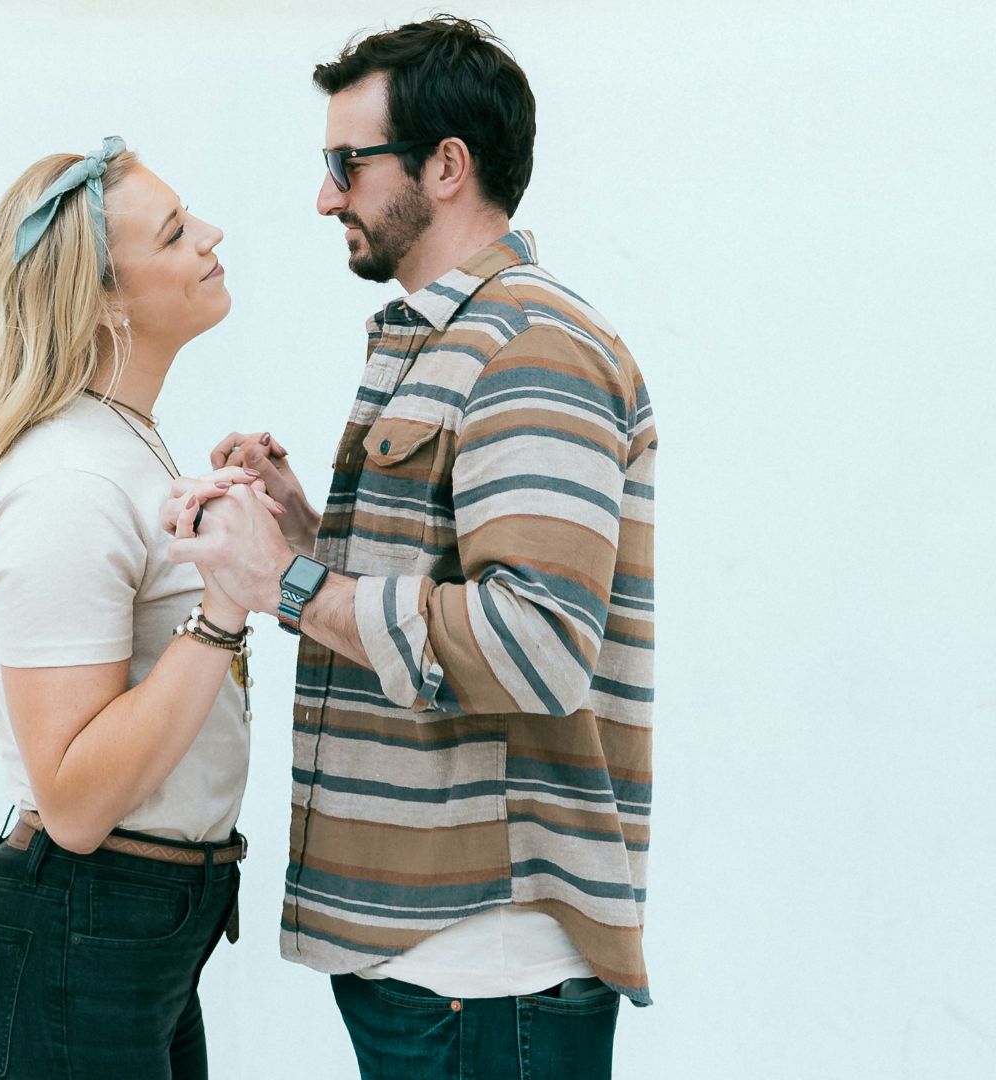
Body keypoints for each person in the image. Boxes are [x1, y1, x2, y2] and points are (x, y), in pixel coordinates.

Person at [167, 17, 659, 1079]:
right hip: (435, 963)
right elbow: (450, 582)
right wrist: (309, 534)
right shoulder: (450, 338)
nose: (325, 196)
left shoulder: (532, 347)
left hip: (484, 974)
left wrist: (287, 581)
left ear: (445, 167)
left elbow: (535, 644)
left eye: (348, 164)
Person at [0, 137, 283, 1080]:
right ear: (104, 301)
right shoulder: (68, 483)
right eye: (173, 233)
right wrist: (223, 606)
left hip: (129, 953)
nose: (211, 234)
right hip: (66, 961)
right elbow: (75, 804)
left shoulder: (120, 447)